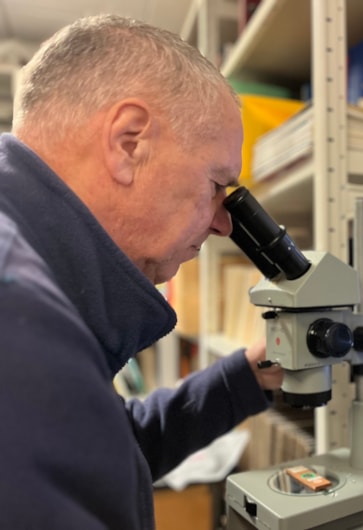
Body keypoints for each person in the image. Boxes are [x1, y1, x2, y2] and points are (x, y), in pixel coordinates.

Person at [0, 14, 283, 529]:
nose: (223, 224)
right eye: (217, 184)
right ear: (129, 143)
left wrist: (245, 376)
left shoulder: (37, 287)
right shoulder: (15, 315)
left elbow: (95, 450)